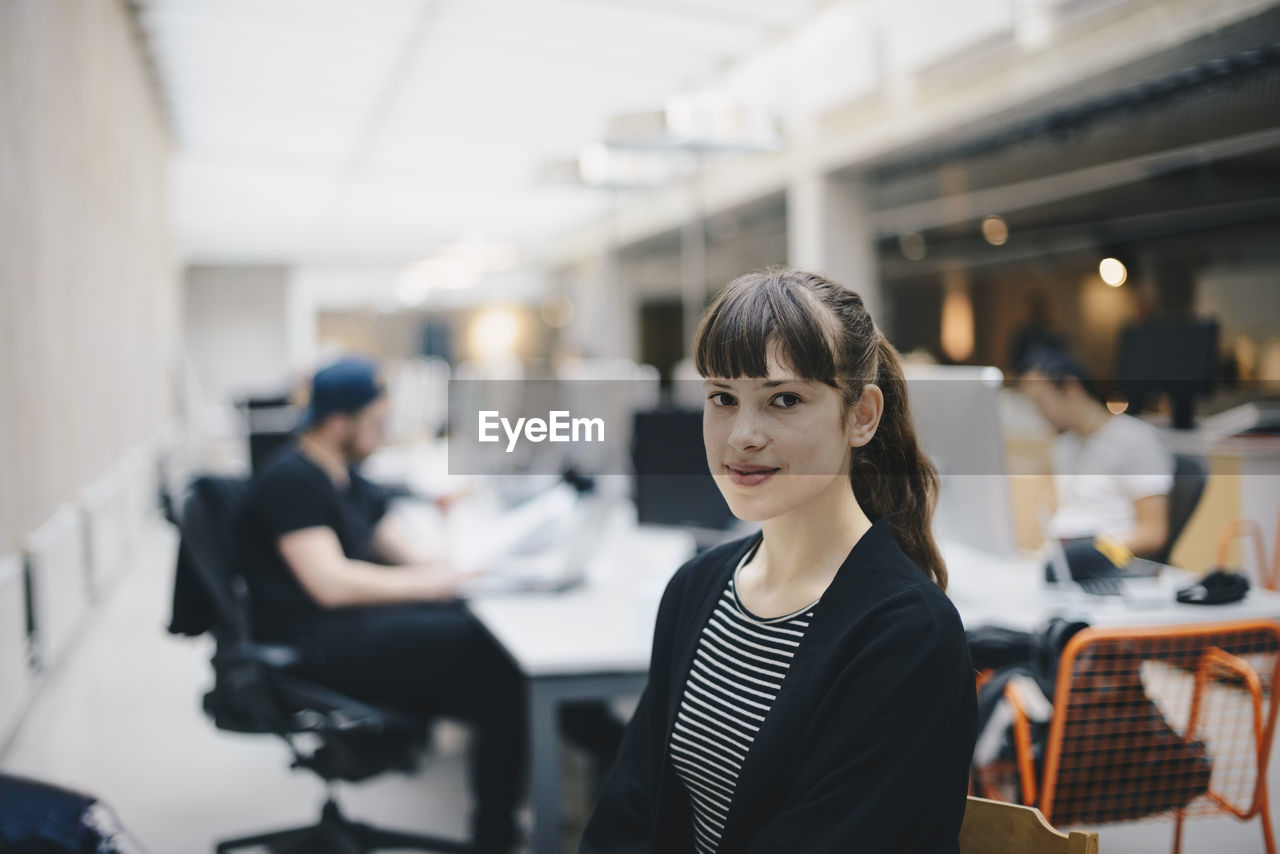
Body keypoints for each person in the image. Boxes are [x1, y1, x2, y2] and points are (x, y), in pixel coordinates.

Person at [581, 268, 977, 853]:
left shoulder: (906, 634)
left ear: (862, 415)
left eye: (784, 400)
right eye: (722, 398)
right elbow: (630, 811)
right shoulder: (697, 587)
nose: (742, 434)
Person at [237, 356, 621, 854]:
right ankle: (609, 749)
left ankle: (503, 832)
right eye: (377, 423)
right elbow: (330, 584)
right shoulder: (291, 479)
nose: (385, 433)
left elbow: (409, 553)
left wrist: (488, 564)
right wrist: (436, 584)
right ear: (338, 424)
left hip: (347, 626)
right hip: (315, 641)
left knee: (502, 690)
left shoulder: (345, 477)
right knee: (485, 643)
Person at [1018, 346, 1173, 559]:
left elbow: (1153, 533)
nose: (1041, 415)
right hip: (1068, 559)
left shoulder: (1136, 440)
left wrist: (1093, 555)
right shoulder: (1065, 445)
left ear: (1072, 388)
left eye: (1042, 404)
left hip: (1115, 562)